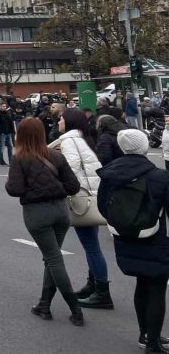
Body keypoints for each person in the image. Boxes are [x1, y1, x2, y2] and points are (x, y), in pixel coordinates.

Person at [5, 118, 83, 326]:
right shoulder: (56, 156)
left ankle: (75, 308)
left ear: (20, 136)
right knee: (52, 256)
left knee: (54, 259)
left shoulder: (19, 159)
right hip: (60, 211)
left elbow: (15, 189)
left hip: (37, 213)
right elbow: (73, 186)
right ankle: (44, 304)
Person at [97, 129, 169, 352]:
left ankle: (145, 334)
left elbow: (102, 205)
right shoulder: (158, 176)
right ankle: (154, 343)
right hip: (155, 236)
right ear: (144, 147)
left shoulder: (110, 174)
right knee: (156, 286)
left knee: (141, 283)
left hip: (124, 237)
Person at [49, 108, 113, 310]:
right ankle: (93, 285)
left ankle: (102, 292)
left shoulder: (68, 142)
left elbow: (73, 172)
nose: (58, 121)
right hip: (92, 197)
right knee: (92, 245)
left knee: (91, 246)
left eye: (60, 119)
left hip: (81, 201)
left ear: (68, 122)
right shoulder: (82, 139)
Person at [0, 102, 15, 167]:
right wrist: (1, 131)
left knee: (10, 146)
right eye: (3, 106)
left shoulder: (7, 113)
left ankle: (11, 161)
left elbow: (11, 122)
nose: (4, 107)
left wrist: (12, 131)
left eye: (5, 106)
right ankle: (2, 161)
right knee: (2, 147)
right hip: (1, 133)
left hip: (8, 132)